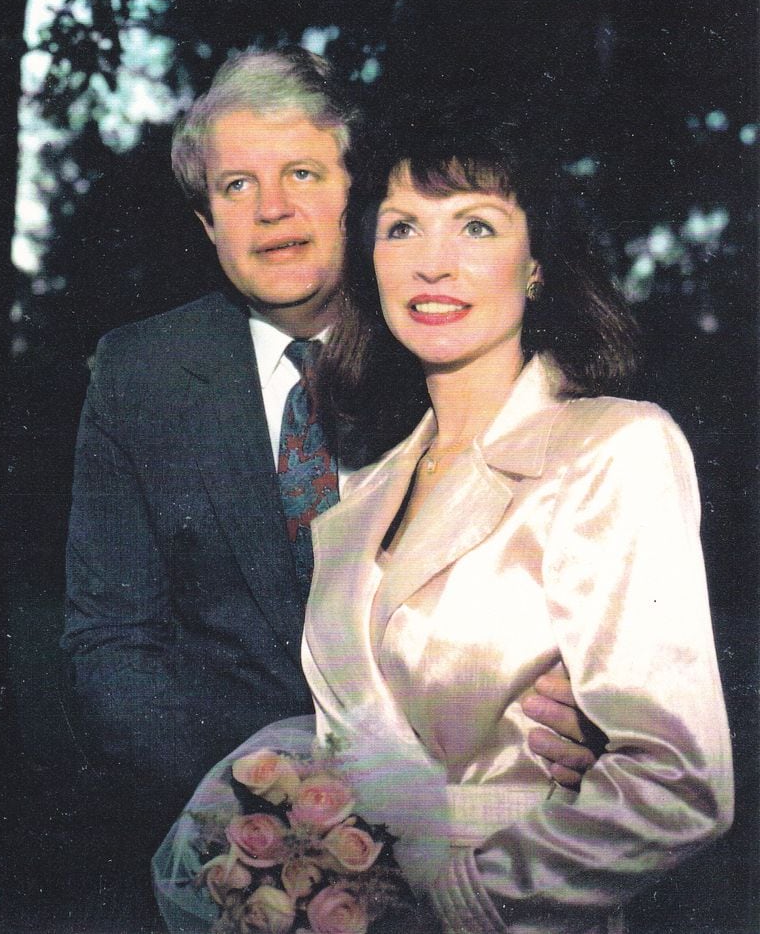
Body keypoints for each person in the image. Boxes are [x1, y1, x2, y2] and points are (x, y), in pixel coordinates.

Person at [153, 105, 733, 933]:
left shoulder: (612, 447)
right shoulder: (358, 498)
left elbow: (677, 782)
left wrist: (460, 904)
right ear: (371, 263)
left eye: (475, 226)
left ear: (537, 266)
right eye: (401, 230)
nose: (433, 264)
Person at [60, 50, 592, 890]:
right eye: (237, 187)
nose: (273, 209)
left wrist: (594, 708)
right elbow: (112, 644)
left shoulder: (458, 338)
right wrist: (255, 823)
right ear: (207, 225)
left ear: (359, 193)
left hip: (480, 841)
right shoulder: (140, 375)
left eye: (303, 172)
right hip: (246, 854)